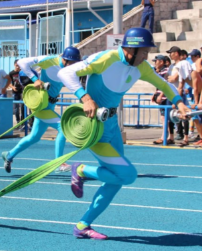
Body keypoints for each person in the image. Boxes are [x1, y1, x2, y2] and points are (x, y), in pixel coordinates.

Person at [58, 27, 189, 239]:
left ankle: (83, 225)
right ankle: (81, 170)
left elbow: (164, 85)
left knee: (115, 180)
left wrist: (180, 103)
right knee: (127, 175)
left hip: (111, 126)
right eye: (144, 52)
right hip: (93, 129)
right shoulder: (106, 58)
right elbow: (65, 72)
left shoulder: (142, 67)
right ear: (130, 49)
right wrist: (85, 97)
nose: (147, 57)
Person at [2, 47, 81, 173]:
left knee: (34, 137)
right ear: (65, 60)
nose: (74, 66)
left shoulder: (68, 70)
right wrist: (35, 79)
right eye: (73, 63)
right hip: (41, 105)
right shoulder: (49, 60)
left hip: (50, 106)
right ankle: (59, 163)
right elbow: (22, 63)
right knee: (63, 127)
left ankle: (9, 155)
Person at [8, 60, 26, 126]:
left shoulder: (23, 72)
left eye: (19, 65)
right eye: (17, 65)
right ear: (14, 65)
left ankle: (23, 121)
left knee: (23, 106)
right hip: (15, 92)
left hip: (22, 91)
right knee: (16, 108)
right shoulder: (11, 73)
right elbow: (8, 82)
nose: (18, 66)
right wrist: (13, 87)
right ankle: (18, 122)